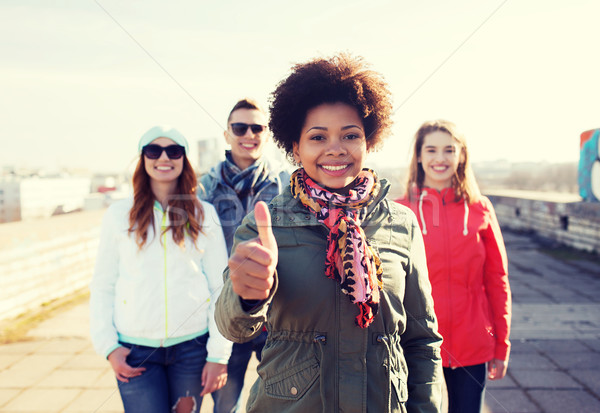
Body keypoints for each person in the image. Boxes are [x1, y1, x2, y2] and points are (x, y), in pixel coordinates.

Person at [215, 54, 443, 413]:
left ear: (368, 141)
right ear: (296, 147)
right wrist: (247, 297)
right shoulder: (265, 224)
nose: (335, 148)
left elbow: (422, 340)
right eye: (318, 137)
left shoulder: (402, 223)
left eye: (350, 135)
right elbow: (234, 328)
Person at [90, 125, 232, 413]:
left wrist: (219, 355)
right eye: (154, 150)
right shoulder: (118, 215)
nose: (164, 157)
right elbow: (103, 284)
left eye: (174, 150)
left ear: (184, 159)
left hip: (192, 348)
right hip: (135, 351)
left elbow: (220, 287)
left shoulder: (205, 214)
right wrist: (108, 347)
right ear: (143, 159)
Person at [395, 120, 511, 413]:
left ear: (461, 155)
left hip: (472, 342)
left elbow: (497, 279)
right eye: (431, 149)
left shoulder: (480, 208)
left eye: (449, 150)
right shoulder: (398, 210)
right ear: (419, 156)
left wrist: (502, 344)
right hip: (415, 344)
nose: (440, 158)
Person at [199, 98, 289, 413]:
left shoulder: (286, 184)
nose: (248, 134)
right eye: (240, 127)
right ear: (227, 135)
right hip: (226, 310)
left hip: (276, 312)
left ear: (266, 134)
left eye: (257, 127)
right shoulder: (204, 189)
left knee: (285, 401)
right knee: (226, 406)